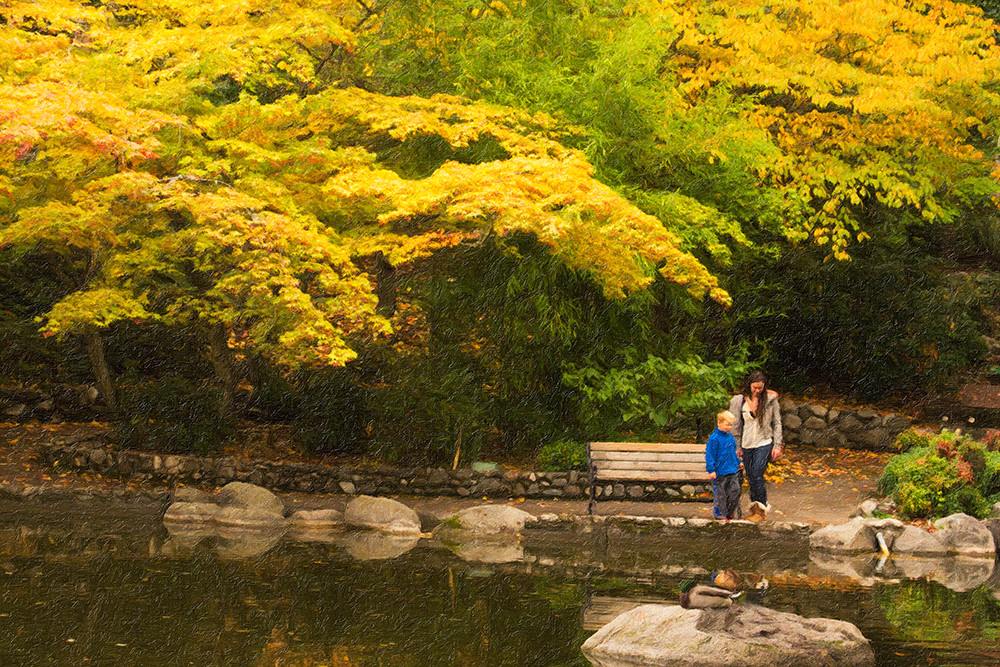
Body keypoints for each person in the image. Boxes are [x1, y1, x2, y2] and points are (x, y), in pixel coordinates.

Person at [728, 371, 783, 521]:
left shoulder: (771, 400)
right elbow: (736, 427)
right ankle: (754, 508)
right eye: (755, 387)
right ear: (749, 385)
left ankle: (761, 508)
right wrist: (737, 447)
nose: (757, 391)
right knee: (751, 476)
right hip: (746, 443)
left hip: (764, 442)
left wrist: (777, 445)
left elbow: (777, 423)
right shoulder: (739, 401)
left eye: (760, 388)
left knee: (757, 473)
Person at [706, 410, 741, 520]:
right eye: (727, 424)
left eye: (731, 425)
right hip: (720, 472)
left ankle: (730, 512)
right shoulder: (714, 438)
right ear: (719, 422)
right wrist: (711, 469)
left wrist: (738, 462)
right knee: (721, 495)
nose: (729, 427)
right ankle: (721, 514)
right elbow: (710, 455)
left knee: (735, 492)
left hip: (732, 470)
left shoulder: (730, 437)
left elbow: (732, 452)